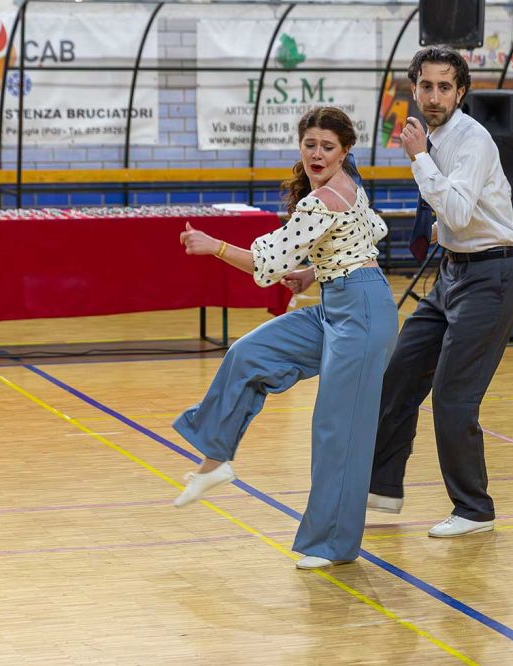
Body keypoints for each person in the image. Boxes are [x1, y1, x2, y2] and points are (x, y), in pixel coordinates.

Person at [171, 106, 398, 570]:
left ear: (344, 151)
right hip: (336, 303)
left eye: (328, 147)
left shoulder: (324, 199)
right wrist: (314, 273)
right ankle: (215, 461)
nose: (317, 154)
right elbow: (368, 234)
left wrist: (214, 247)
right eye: (310, 144)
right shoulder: (345, 185)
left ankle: (332, 545)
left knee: (338, 430)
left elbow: (266, 263)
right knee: (249, 353)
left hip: (363, 314)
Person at [366, 47, 513, 537]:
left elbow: (455, 209)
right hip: (453, 274)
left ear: (461, 92)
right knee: (399, 374)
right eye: (426, 86)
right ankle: (382, 488)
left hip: (491, 278)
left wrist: (418, 159)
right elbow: (459, 215)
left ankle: (474, 510)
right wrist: (443, 230)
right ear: (414, 89)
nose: (434, 96)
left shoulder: (471, 139)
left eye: (444, 87)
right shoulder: (435, 138)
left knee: (454, 397)